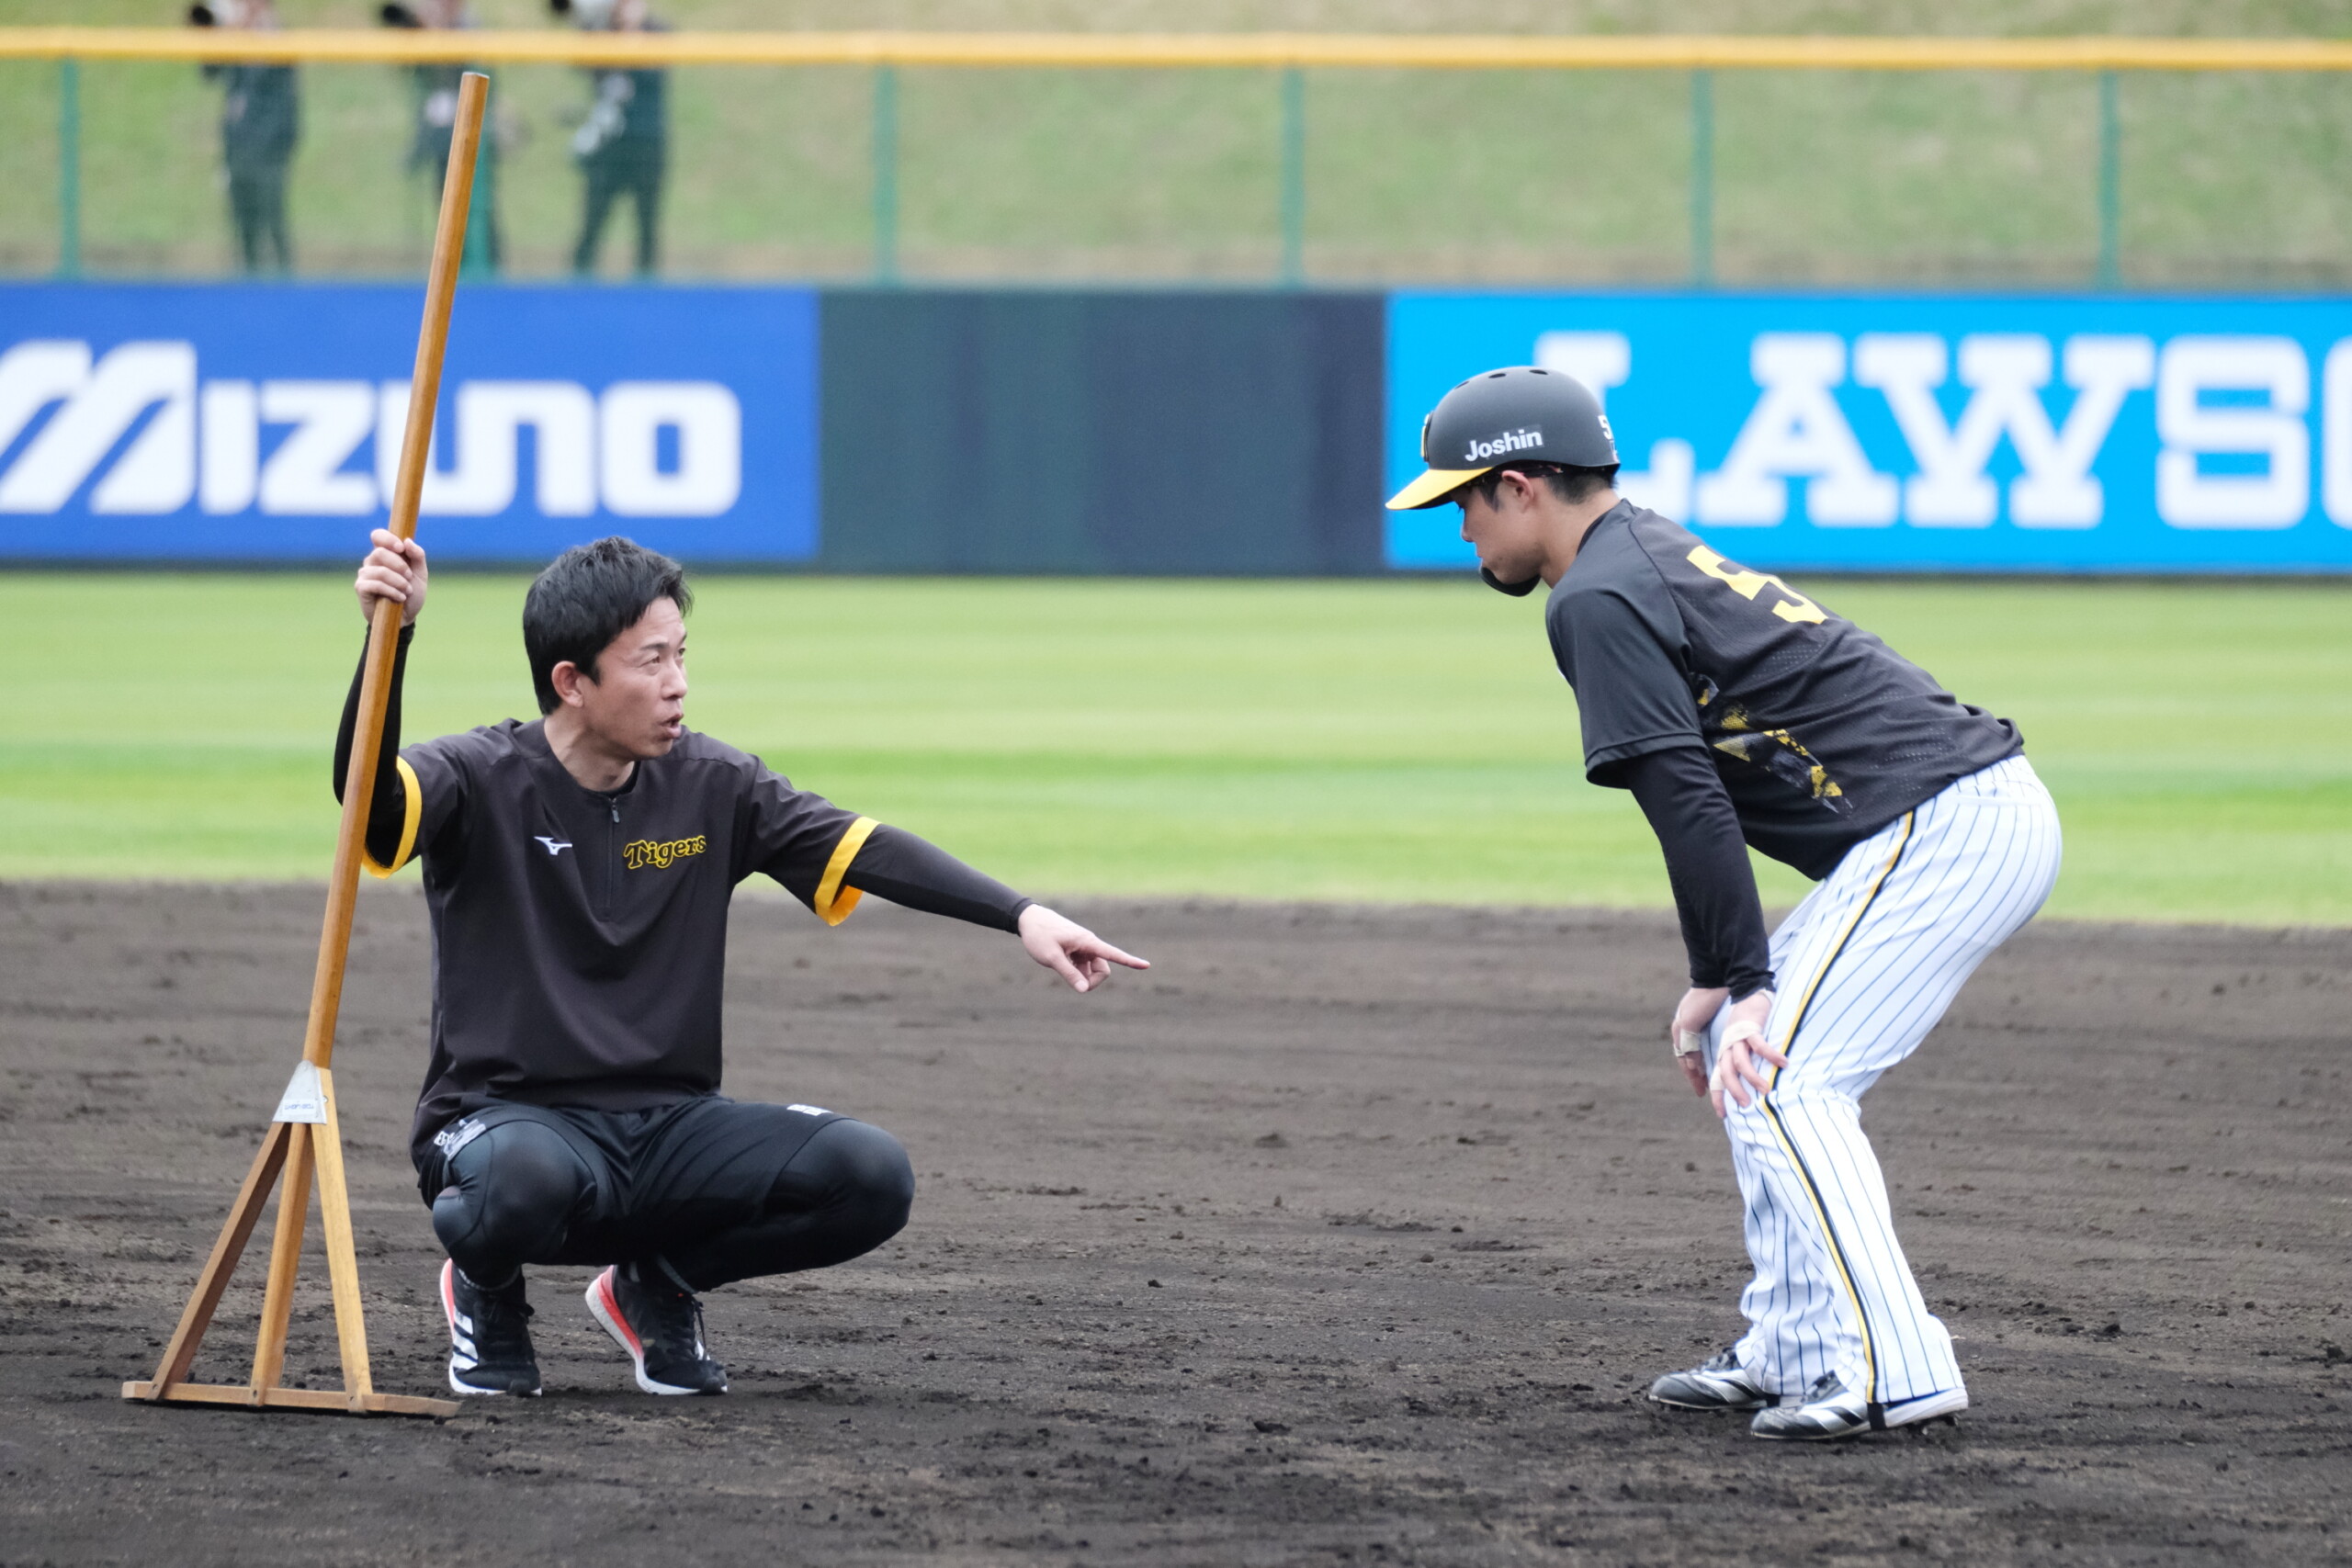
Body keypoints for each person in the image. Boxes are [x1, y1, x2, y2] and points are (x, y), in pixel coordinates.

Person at [1385, 367, 2061, 1440]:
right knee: (1763, 1074)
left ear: (1519, 485)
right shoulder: (1636, 552)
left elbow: (1687, 801)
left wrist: (1742, 980)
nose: (1458, 529)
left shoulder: (1598, 598)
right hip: (1948, 819)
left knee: (1791, 1085)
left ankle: (1895, 1368)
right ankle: (1795, 1349)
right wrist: (1724, 979)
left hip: (1943, 826)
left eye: (1461, 501)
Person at [340, 533, 1148, 1398]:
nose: (678, 681)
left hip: (666, 1131)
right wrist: (392, 637)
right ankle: (486, 1289)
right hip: (506, 1124)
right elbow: (372, 805)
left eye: (680, 655)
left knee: (869, 1176)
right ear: (572, 681)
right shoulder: (480, 773)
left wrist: (1020, 913)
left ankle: (657, 1284)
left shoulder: (714, 782)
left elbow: (861, 844)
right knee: (519, 1183)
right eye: (650, 660)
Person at [381, 0, 502, 276]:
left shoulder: (469, 29)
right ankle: (454, 273)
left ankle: (489, 274)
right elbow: (405, 69)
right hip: (440, 141)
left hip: (476, 139)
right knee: (446, 211)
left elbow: (485, 76)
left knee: (480, 210)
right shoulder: (429, 32)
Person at [553, 0, 669, 278]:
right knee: (592, 221)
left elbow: (657, 70)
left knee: (647, 225)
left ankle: (647, 290)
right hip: (609, 145)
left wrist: (632, 34)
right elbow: (579, 62)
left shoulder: (658, 31)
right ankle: (578, 284)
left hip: (646, 142)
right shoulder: (602, 32)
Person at [192, 0, 299, 275]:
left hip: (269, 145)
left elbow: (286, 100)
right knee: (243, 222)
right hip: (238, 145)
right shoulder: (235, 36)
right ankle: (248, 282)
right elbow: (209, 72)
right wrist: (225, 33)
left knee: (273, 218)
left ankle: (284, 283)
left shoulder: (276, 36)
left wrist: (281, 143)